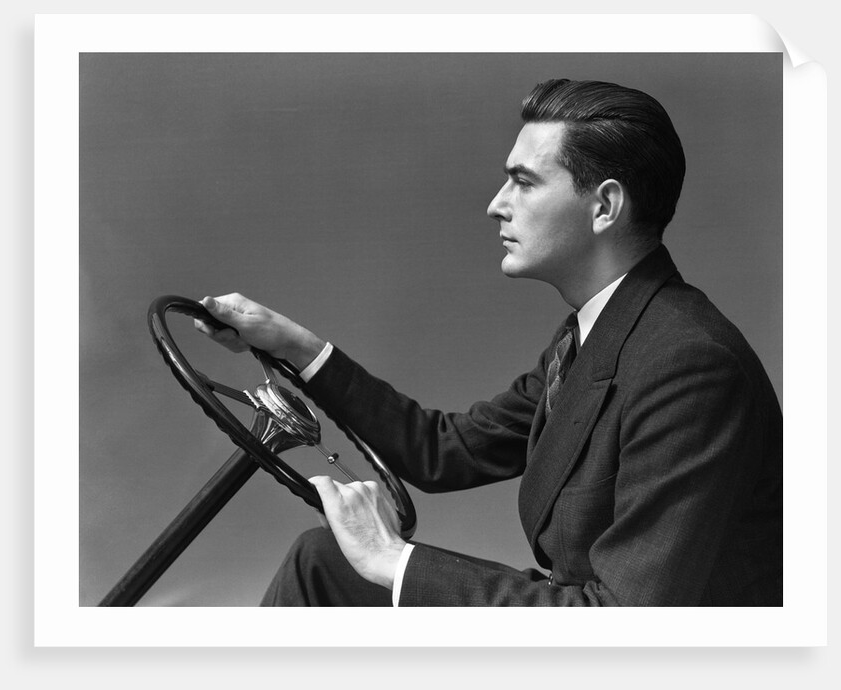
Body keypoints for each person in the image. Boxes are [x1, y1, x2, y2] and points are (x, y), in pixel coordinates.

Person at [195, 78, 782, 606]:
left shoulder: (690, 364)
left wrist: (391, 558)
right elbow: (444, 449)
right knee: (320, 561)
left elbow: (622, 624)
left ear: (604, 206)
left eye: (523, 182)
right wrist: (293, 344)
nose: (495, 204)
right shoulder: (598, 333)